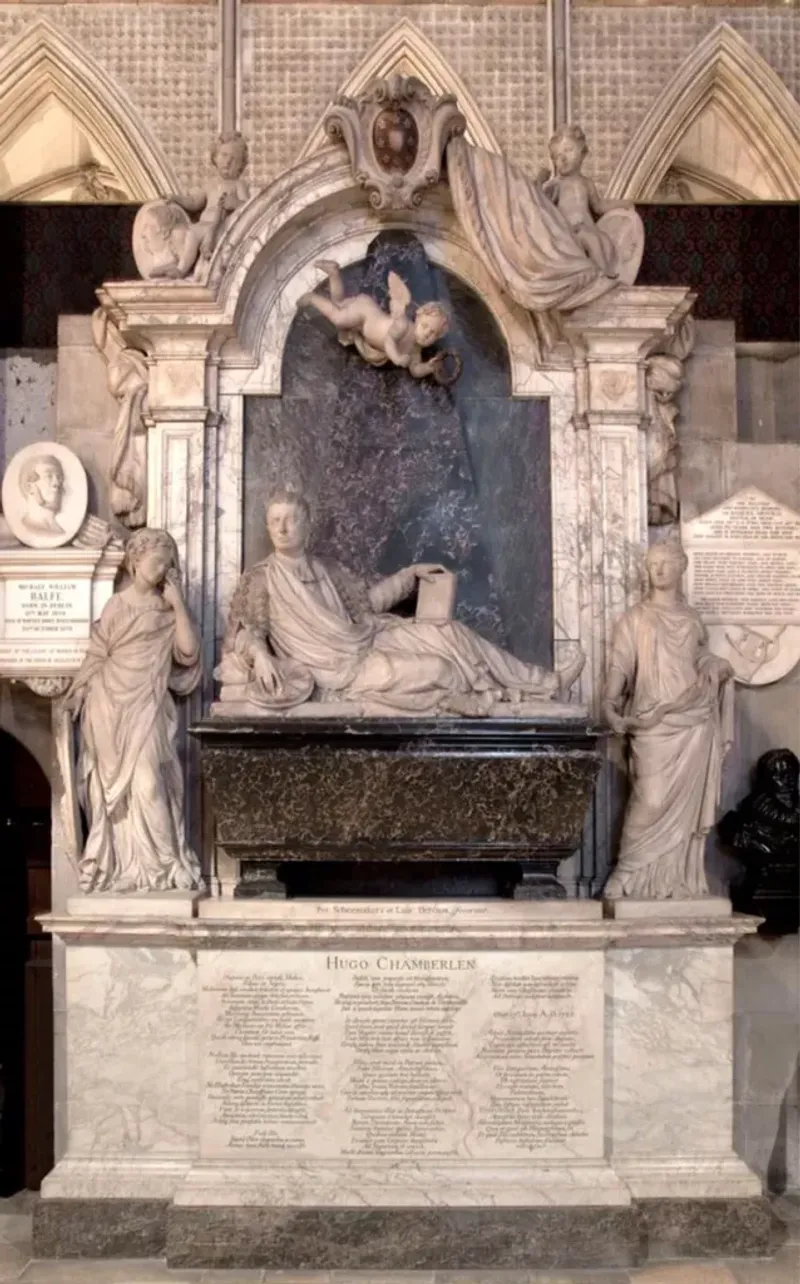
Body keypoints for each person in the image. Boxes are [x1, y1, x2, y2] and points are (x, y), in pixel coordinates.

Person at [216, 491, 584, 717]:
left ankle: (547, 684)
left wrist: (409, 576)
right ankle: (490, 693)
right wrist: (262, 656)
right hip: (339, 670)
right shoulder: (261, 577)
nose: (281, 529)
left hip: (368, 638)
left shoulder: (328, 569)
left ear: (307, 526)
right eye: (274, 521)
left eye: (289, 520)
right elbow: (248, 631)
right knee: (442, 671)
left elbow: (368, 605)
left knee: (448, 631)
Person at [65, 528, 204, 892]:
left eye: (167, 564)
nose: (161, 570)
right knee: (114, 794)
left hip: (148, 705)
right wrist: (79, 691)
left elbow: (188, 653)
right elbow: (97, 654)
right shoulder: (117, 605)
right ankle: (124, 868)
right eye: (156, 561)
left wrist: (178, 606)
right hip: (108, 705)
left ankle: (165, 867)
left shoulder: (166, 611)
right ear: (136, 560)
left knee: (148, 784)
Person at [603, 538, 734, 899]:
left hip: (693, 718)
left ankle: (679, 880)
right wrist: (610, 703)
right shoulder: (635, 618)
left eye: (665, 563)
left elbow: (699, 658)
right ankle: (628, 871)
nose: (658, 570)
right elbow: (620, 664)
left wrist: (715, 664)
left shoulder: (692, 619)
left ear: (681, 567)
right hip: (654, 720)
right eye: (652, 563)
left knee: (681, 808)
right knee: (651, 799)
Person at [298, 261, 450, 380]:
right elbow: (389, 341)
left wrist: (429, 368)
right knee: (338, 319)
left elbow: (415, 370)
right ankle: (313, 298)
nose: (426, 334)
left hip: (364, 320)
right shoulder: (403, 325)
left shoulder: (415, 350)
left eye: (432, 334)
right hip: (365, 314)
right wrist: (396, 357)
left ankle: (333, 273)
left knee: (339, 303)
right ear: (418, 317)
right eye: (425, 326)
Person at [539, 124, 631, 279]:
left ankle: (604, 273)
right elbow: (540, 205)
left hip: (588, 228)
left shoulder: (587, 183)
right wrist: (540, 180)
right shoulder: (556, 184)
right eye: (557, 156)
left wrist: (624, 204)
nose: (562, 158)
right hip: (571, 232)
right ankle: (603, 276)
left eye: (568, 150)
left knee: (604, 242)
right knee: (592, 240)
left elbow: (599, 206)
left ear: (582, 153)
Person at [170, 131, 250, 277]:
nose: (228, 161)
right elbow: (194, 202)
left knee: (198, 233)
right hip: (203, 224)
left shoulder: (238, 185)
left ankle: (184, 269)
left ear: (241, 165)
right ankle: (181, 268)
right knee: (191, 233)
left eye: (234, 159)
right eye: (224, 155)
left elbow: (249, 207)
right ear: (215, 157)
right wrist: (176, 198)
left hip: (221, 226)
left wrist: (235, 203)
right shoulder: (210, 185)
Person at [19, 454, 65, 536]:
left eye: (59, 477)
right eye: (48, 476)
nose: (57, 483)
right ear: (30, 487)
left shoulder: (60, 531)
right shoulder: (26, 528)